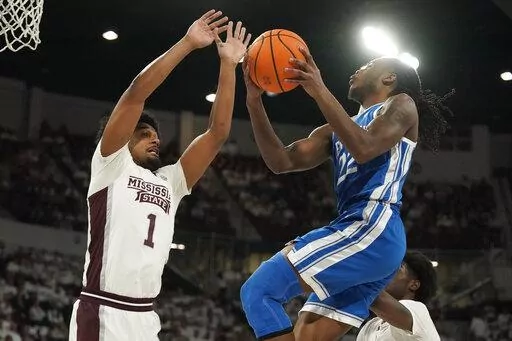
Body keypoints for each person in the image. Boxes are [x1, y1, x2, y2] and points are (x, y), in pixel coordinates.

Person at [240, 46, 453, 341]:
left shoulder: (401, 104)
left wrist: (318, 89)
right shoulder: (333, 130)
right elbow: (280, 161)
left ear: (389, 77)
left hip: (371, 226)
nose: (357, 69)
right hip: (361, 234)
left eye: (368, 64)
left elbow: (364, 148)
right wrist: (254, 102)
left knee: (257, 291)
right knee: (306, 337)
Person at [68, 10, 251, 341]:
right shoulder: (111, 165)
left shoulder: (170, 182)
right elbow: (137, 93)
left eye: (155, 134)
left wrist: (228, 66)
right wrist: (187, 44)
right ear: (123, 136)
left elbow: (217, 133)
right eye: (144, 133)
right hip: (103, 309)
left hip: (145, 316)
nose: (156, 139)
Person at [354, 250, 440, 341]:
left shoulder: (418, 309)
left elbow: (373, 295)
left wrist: (352, 270)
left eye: (397, 269)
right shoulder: (370, 327)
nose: (386, 274)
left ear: (414, 285)